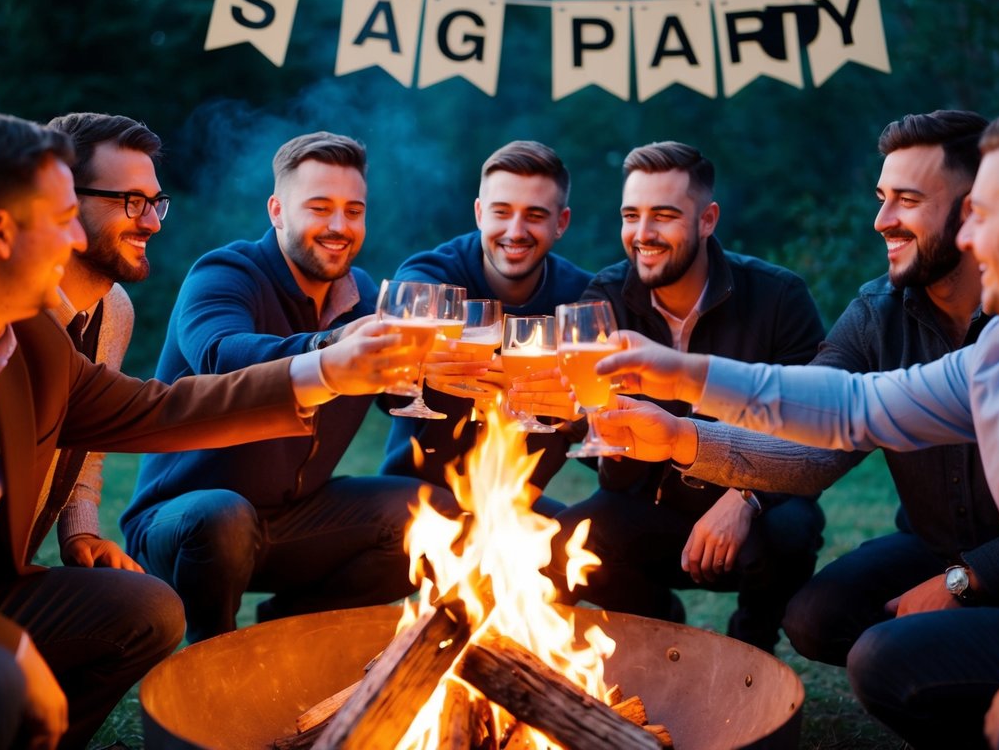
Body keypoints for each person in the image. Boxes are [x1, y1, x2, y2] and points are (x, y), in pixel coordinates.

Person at [589, 108, 999, 748]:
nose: (880, 222)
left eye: (984, 213)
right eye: (882, 198)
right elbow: (849, 406)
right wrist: (681, 404)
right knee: (830, 621)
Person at [0, 112, 413, 750]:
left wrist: (328, 369)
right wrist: (3, 642)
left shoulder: (33, 339)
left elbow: (157, 410)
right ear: (1, 231)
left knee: (143, 610)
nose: (73, 241)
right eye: (62, 217)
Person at [121, 131, 454, 644]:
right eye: (320, 208)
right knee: (223, 514)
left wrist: (469, 378)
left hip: (295, 520)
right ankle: (213, 661)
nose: (340, 227)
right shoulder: (224, 272)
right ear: (277, 210)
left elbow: (400, 392)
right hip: (185, 522)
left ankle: (288, 630)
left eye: (354, 210)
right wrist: (334, 345)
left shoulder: (366, 295)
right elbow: (220, 354)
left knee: (432, 516)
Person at [548, 140, 827, 652]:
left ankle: (751, 645)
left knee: (794, 526)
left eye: (664, 215)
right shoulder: (605, 298)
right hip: (648, 507)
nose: (643, 234)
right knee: (561, 543)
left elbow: (811, 428)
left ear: (707, 219)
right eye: (631, 215)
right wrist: (579, 418)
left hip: (750, 513)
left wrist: (747, 496)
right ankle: (657, 620)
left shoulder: (778, 296)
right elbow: (594, 440)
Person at [378, 140, 592, 507]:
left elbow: (606, 432)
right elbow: (388, 378)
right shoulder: (432, 274)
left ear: (562, 223)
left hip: (515, 510)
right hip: (416, 501)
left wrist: (575, 409)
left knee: (581, 541)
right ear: (479, 213)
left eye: (535, 215)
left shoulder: (581, 300)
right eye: (501, 212)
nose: (516, 230)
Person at [23, 112, 166, 572]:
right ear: (61, 202)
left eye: (155, 201)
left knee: (147, 604)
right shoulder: (8, 312)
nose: (151, 223)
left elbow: (87, 442)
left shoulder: (115, 309)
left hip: (12, 571)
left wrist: (80, 532)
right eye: (130, 201)